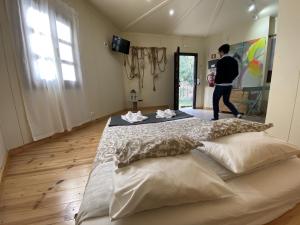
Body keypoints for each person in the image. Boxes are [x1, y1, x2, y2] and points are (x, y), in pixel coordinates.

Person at [212, 44, 242, 120]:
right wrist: (230, 79)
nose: (219, 54)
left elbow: (218, 74)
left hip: (220, 86)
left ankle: (216, 118)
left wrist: (215, 81)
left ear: (222, 51)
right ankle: (237, 114)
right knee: (226, 101)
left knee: (215, 101)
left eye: (219, 53)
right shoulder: (234, 61)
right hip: (229, 85)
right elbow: (236, 73)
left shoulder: (220, 62)